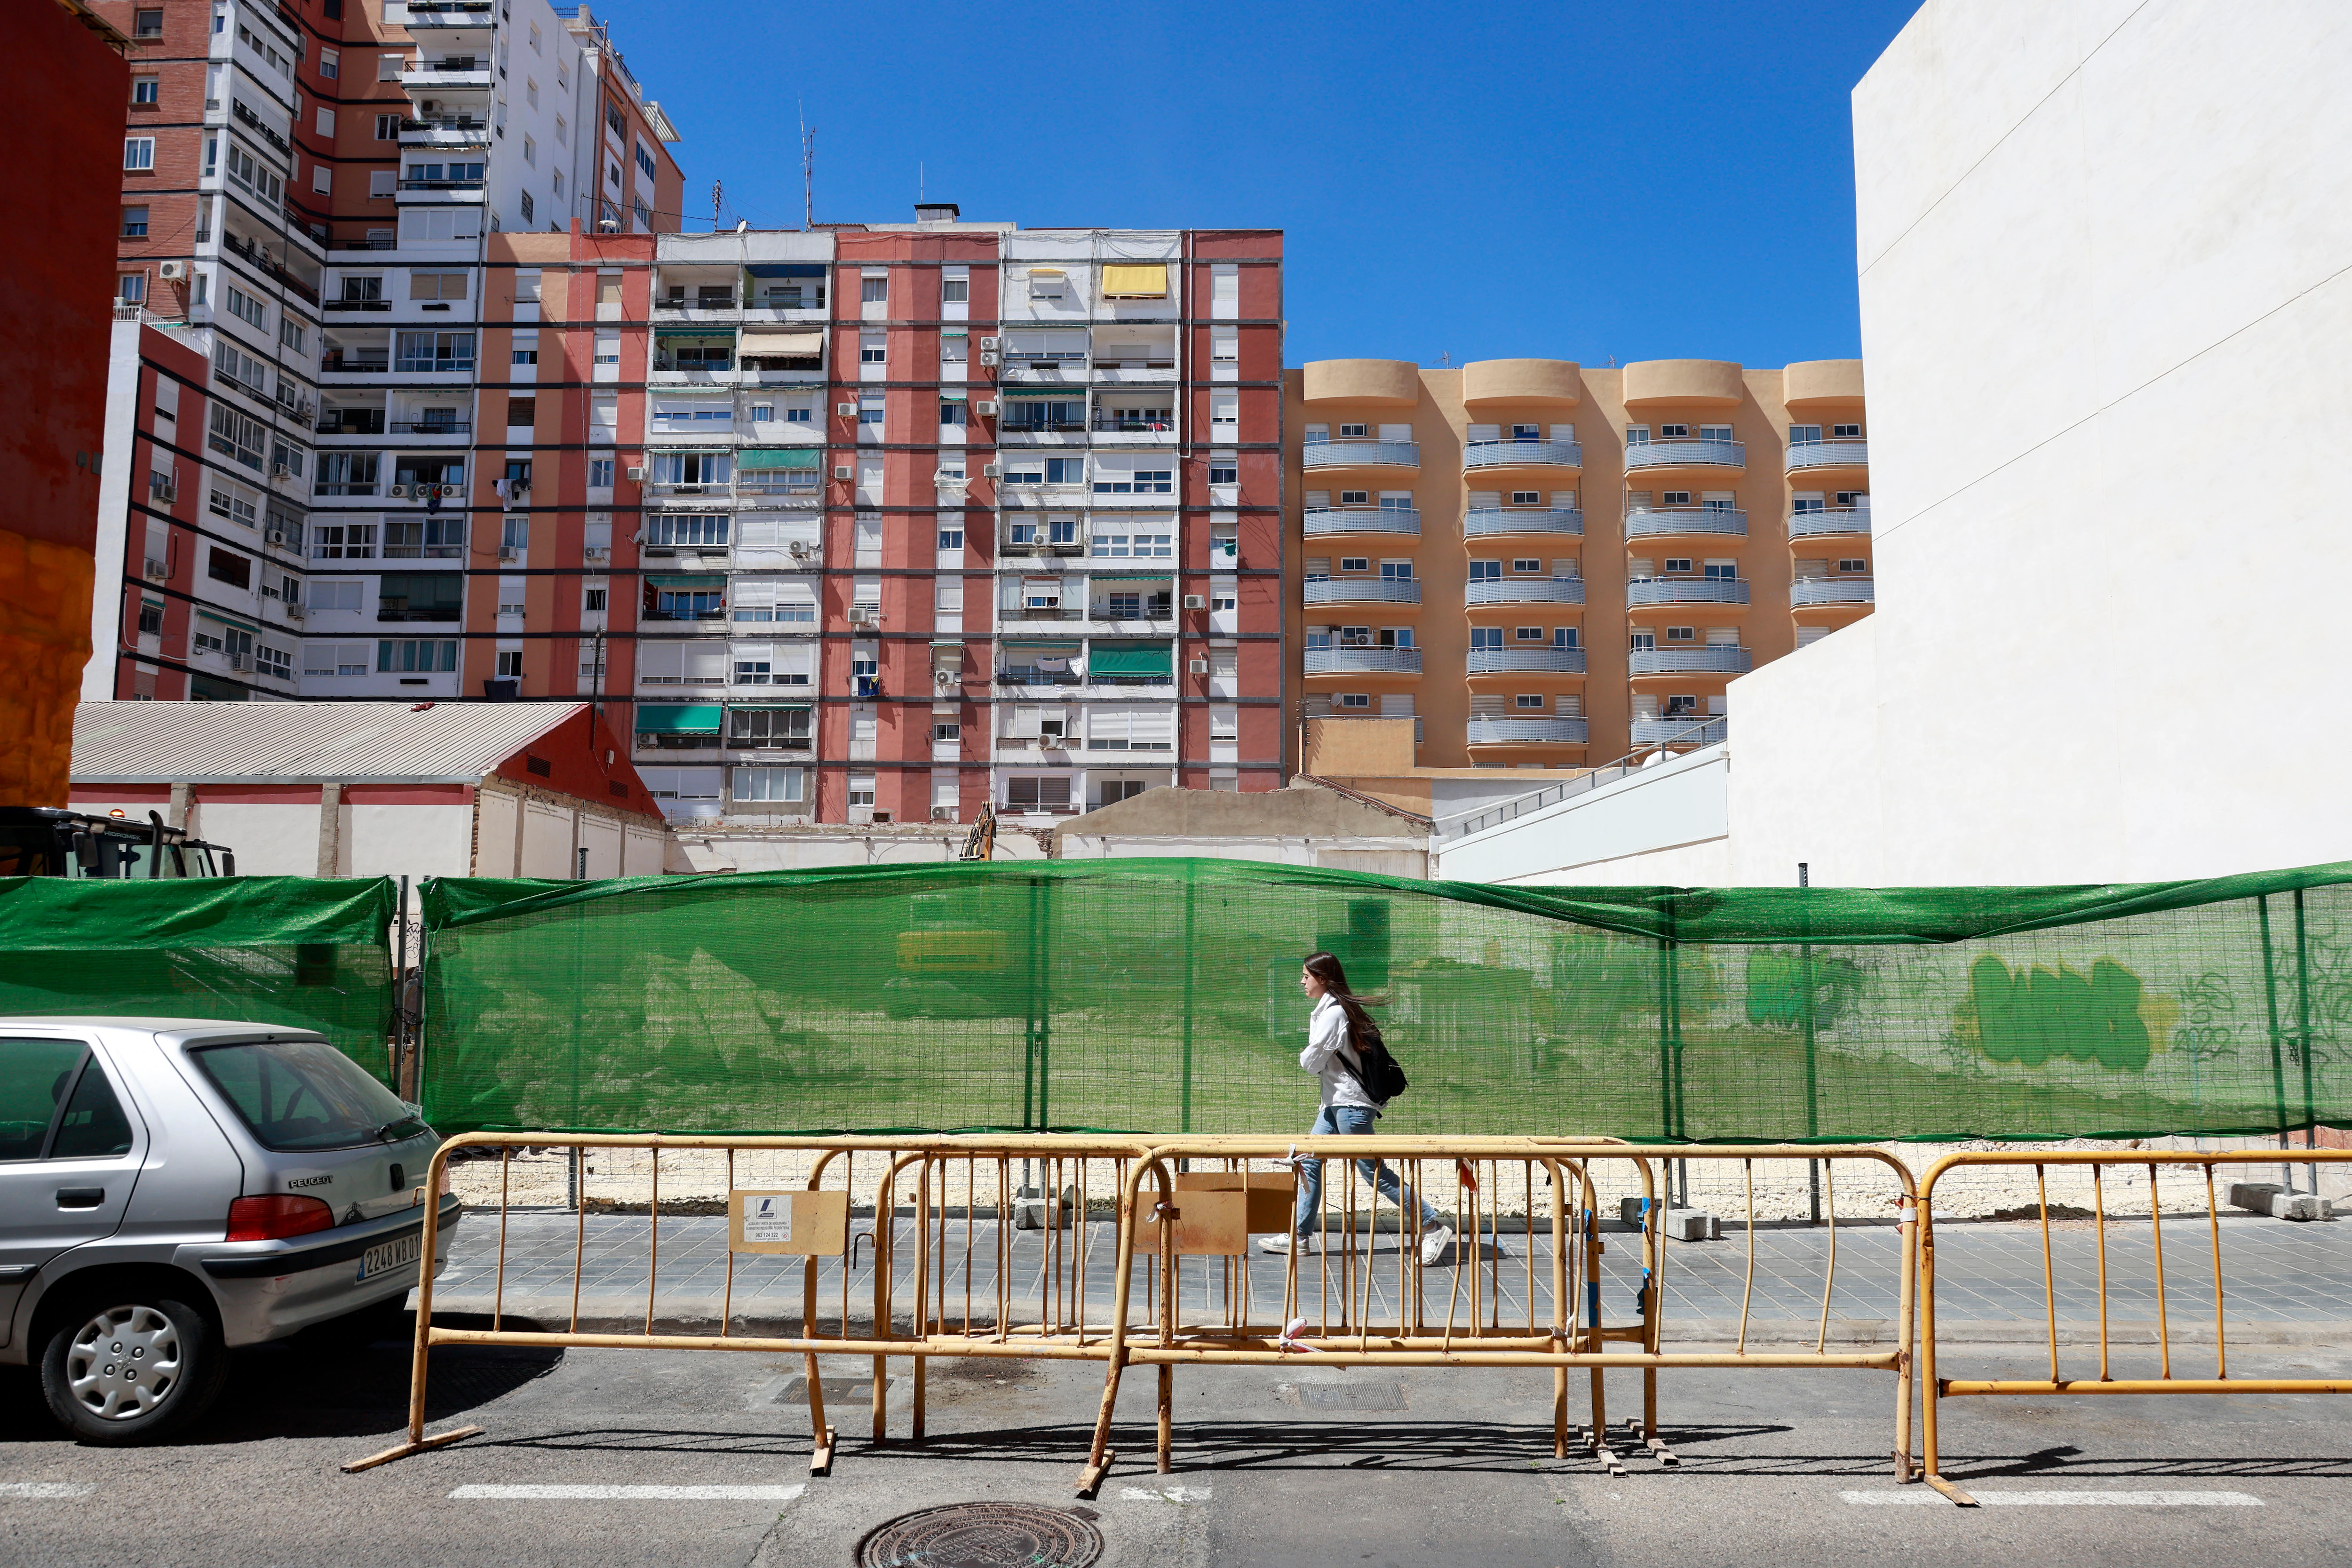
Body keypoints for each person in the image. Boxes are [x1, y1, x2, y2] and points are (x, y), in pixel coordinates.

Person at [1259, 951, 1455, 1265]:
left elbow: (1310, 1063)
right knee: (1309, 1162)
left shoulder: (1335, 1013)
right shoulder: (1331, 1010)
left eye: (1306, 976)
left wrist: (1304, 1055)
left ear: (1323, 979)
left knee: (1373, 1172)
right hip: (1335, 1105)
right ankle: (1299, 1237)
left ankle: (1432, 1225)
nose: (1302, 981)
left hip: (1350, 1107)